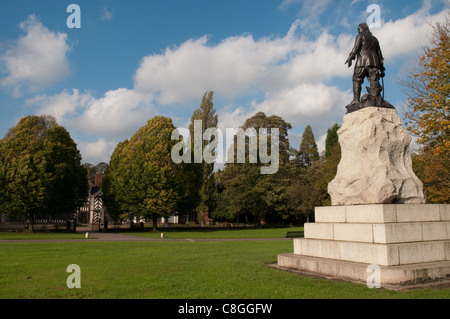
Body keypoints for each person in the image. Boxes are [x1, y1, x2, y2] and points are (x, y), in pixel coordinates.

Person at [345, 23, 386, 106]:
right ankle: (376, 98)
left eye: (358, 29)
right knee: (373, 80)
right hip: (374, 63)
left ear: (361, 29)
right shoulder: (375, 39)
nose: (358, 31)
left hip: (362, 62)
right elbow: (379, 54)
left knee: (357, 79)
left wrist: (350, 58)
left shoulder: (360, 36)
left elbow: (356, 47)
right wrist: (382, 68)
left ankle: (356, 100)